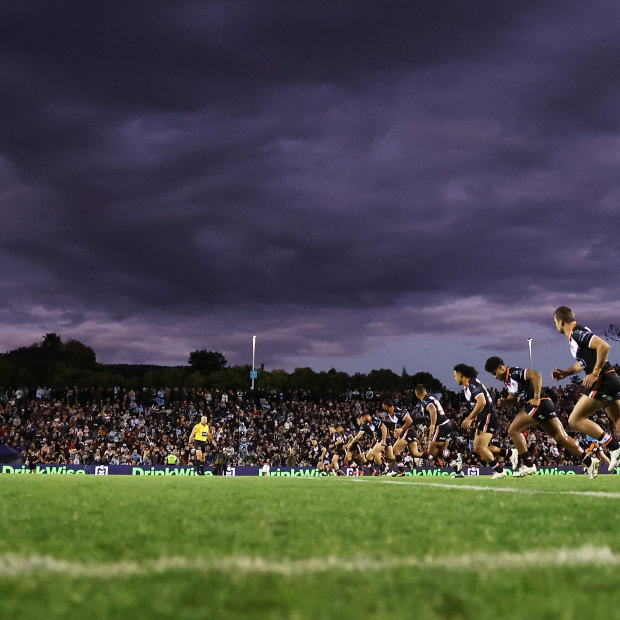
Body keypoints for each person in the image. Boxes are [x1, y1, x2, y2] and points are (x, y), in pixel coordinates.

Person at [484, 356, 599, 479]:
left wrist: (537, 397)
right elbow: (515, 398)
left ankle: (528, 465)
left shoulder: (514, 372)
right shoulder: (508, 381)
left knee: (513, 430)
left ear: (501, 367)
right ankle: (589, 462)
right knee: (561, 437)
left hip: (540, 403)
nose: (495, 377)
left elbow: (536, 375)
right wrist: (506, 402)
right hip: (545, 405)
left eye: (495, 373)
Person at [551, 306, 620, 471]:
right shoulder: (575, 337)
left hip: (602, 380)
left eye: (555, 322)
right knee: (618, 422)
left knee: (575, 420)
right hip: (611, 379)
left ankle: (614, 448)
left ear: (561, 321)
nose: (555, 325)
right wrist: (567, 372)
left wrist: (595, 373)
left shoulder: (576, 332)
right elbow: (584, 361)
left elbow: (604, 347)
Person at [454, 363, 506, 479]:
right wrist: (475, 418)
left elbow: (482, 402)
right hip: (484, 417)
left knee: (479, 447)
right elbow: (477, 404)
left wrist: (470, 418)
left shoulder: (473, 384)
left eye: (455, 375)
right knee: (479, 448)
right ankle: (508, 455)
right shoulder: (468, 386)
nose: (455, 378)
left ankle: (499, 470)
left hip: (488, 415)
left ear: (461, 375)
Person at [413, 385, 455, 466]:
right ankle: (457, 469)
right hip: (447, 424)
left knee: (431, 452)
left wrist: (432, 425)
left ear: (417, 394)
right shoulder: (431, 398)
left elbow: (432, 409)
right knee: (442, 453)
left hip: (441, 425)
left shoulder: (425, 401)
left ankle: (455, 456)